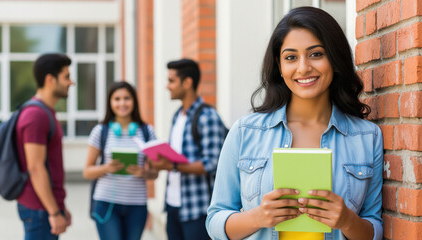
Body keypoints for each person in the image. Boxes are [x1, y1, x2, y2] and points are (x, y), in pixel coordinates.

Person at [206, 7, 383, 240]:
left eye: (316, 54)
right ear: (279, 67)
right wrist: (258, 217)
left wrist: (347, 221)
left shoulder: (367, 137)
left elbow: (375, 228)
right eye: (291, 57)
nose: (303, 68)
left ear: (336, 60)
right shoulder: (245, 132)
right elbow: (215, 220)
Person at [149, 58, 227, 240]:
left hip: (198, 210)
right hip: (173, 207)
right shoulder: (177, 115)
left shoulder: (208, 117)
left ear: (187, 82)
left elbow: (212, 164)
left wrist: (172, 167)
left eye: (171, 81)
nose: (167, 86)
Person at [83, 81, 158, 240]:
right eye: (117, 99)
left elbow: (155, 173)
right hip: (106, 203)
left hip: (137, 205)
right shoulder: (100, 131)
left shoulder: (147, 131)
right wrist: (106, 168)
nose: (122, 103)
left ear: (134, 102)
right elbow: (87, 172)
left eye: (127, 98)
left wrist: (142, 172)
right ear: (110, 103)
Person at [16, 53, 74, 239]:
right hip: (39, 209)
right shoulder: (36, 115)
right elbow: (35, 167)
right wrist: (54, 212)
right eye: (66, 76)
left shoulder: (45, 112)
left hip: (44, 208)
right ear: (50, 79)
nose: (70, 82)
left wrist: (59, 206)